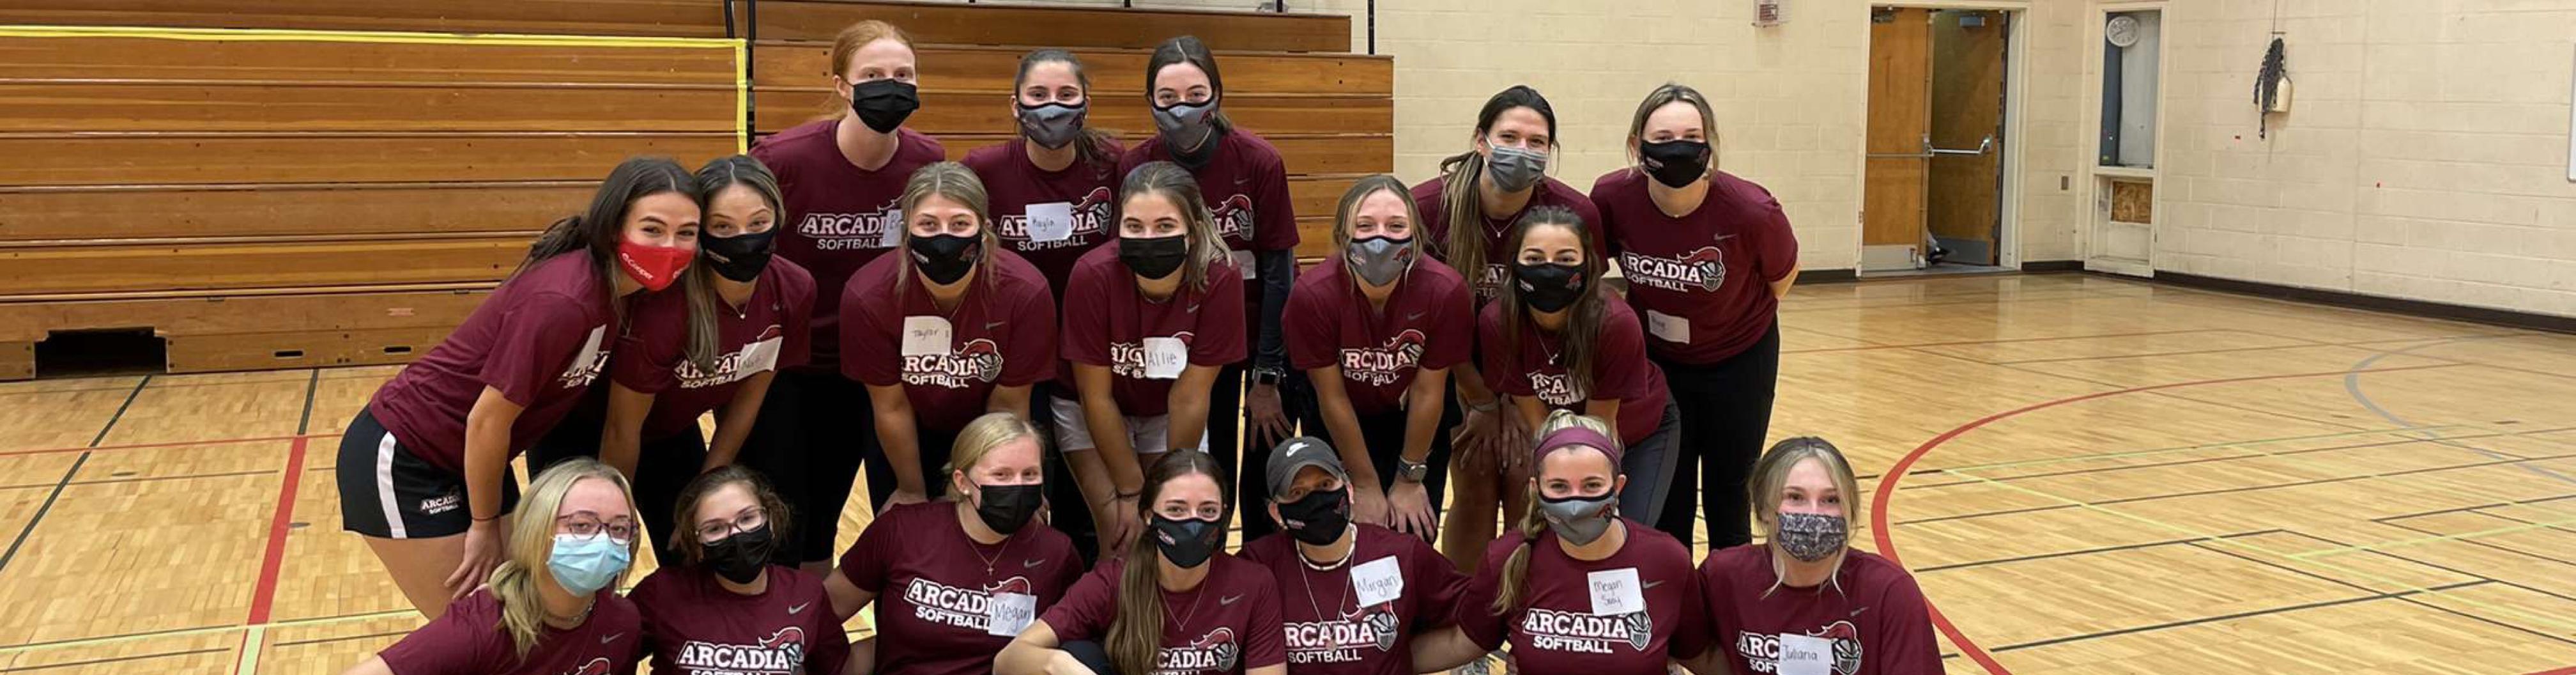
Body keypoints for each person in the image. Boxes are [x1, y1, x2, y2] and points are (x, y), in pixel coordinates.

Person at [335, 157, 699, 618]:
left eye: (686, 233)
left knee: (526, 614)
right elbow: (487, 418)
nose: (670, 246)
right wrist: (484, 524)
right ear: (613, 229)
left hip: (476, 458)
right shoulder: (565, 301)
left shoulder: (626, 300)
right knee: (481, 628)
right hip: (408, 455)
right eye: (653, 230)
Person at [526, 155, 811, 564]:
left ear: (779, 218)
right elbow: (622, 429)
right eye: (723, 227)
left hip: (668, 432)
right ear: (701, 233)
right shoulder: (666, 306)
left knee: (693, 551)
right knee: (588, 556)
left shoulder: (794, 288)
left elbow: (749, 398)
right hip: (581, 430)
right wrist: (616, 515)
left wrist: (706, 487)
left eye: (758, 223)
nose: (744, 238)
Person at [745, 19, 946, 573]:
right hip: (793, 365)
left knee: (866, 504)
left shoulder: (927, 162)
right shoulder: (784, 160)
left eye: (903, 75)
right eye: (874, 75)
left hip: (882, 365)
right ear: (841, 85)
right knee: (790, 508)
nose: (891, 85)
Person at [1592, 83, 1798, 550]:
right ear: (1636, 145)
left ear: (1710, 145)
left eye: (1691, 135)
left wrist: (1727, 320)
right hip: (1660, 362)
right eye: (1663, 137)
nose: (1678, 146)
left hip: (1740, 359)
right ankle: (1677, 610)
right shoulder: (1613, 197)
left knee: (1729, 493)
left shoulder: (1751, 210)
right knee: (1670, 496)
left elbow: (1781, 278)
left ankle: (1729, 607)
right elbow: (1594, 272)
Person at [1117, 36, 1303, 537]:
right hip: (1190, 336)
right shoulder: (1136, 166)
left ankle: (1263, 564)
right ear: (1150, 102)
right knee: (1208, 452)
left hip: (1260, 326)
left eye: (1196, 95)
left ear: (1217, 96)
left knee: (1265, 447)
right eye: (1168, 97)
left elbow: (1278, 269)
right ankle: (1206, 552)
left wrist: (1267, 371)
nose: (1183, 108)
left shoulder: (1258, 161)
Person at [1411, 85, 1598, 570]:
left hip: (1538, 371)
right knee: (1472, 481)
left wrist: (1517, 399)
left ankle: (1523, 600)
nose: (1523, 149)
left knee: (1523, 478)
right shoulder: (1430, 209)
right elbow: (1428, 321)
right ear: (1480, 140)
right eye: (1509, 136)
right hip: (1450, 371)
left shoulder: (1572, 215)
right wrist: (1477, 398)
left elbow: (1583, 308)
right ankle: (1465, 605)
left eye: (1537, 142)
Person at [1413, 412, 1708, 675]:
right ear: (1536, 489)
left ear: (1618, 487)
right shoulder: (1509, 557)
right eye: (1559, 487)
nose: (1576, 502)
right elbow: (1460, 643)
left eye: (1592, 485)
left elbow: (1702, 657)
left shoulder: (1665, 560)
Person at [1055, 162, 1246, 559]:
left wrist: (1168, 488)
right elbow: (1096, 397)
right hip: (1089, 407)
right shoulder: (1092, 275)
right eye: (1135, 226)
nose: (1148, 237)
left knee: (1169, 532)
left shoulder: (1219, 277)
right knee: (1123, 539)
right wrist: (1130, 491)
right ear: (1118, 228)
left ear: (1191, 231)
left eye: (1164, 226)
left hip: (1167, 407)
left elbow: (1190, 398)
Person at [843, 162, 1057, 509]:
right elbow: (891, 406)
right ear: (906, 231)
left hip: (992, 418)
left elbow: (1009, 404)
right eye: (928, 224)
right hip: (908, 424)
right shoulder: (868, 296)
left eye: (960, 224)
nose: (944, 238)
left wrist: (980, 487)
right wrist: (911, 490)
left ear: (984, 230)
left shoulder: (1025, 291)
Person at [1476, 207, 1687, 545]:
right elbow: (1537, 422)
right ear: (1514, 266)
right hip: (1554, 432)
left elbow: (1602, 427)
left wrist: (1593, 505)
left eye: (1565, 258)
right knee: (1541, 532)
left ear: (1588, 265)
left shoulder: (1614, 322)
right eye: (1534, 258)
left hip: (1636, 432)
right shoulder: (1497, 322)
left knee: (1618, 533)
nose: (1549, 270)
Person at [1283, 176, 1473, 542]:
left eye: (1396, 226)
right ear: (1343, 235)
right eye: (1365, 226)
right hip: (1341, 416)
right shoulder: (1312, 296)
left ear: (1416, 235)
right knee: (1347, 531)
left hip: (1414, 421)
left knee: (1413, 529)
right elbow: (1331, 397)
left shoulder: (1445, 291)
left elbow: (1429, 391)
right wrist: (1365, 483)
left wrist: (1408, 478)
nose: (1380, 238)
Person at [827, 412, 1084, 675]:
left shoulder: (1056, 554)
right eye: (1002, 475)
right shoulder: (902, 532)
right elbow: (821, 613)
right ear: (963, 483)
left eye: (1029, 474)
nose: (1017, 486)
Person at [336, 458, 647, 674]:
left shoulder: (623, 621)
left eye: (619, 529)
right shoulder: (480, 628)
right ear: (538, 528)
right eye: (582, 525)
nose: (602, 540)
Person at [995, 451, 1288, 675]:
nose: (1192, 522)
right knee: (1080, 654)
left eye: (1207, 510)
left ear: (1224, 516)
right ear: (1149, 516)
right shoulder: (1114, 581)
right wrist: (1059, 663)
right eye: (1176, 509)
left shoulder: (1252, 583)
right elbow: (1007, 661)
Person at [1690, 438, 1938, 675]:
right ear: (1765, 508)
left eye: (1831, 500)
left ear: (1850, 510)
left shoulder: (1889, 591)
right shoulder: (1724, 576)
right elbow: (1685, 647)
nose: (1814, 513)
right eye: (1795, 498)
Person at [1237, 437, 1468, 675]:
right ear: (1277, 512)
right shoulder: (1257, 564)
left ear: (1348, 490)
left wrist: (1401, 659)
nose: (1315, 500)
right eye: (1298, 493)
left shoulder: (1401, 554)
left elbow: (1477, 615)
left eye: (1326, 485)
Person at [631, 466, 857, 675]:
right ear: (697, 542)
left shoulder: (806, 592)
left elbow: (835, 667)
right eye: (715, 529)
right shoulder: (663, 592)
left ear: (770, 520)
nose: (736, 535)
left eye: (748, 518)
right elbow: (607, 653)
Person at [962, 47, 1125, 300]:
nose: (1053, 106)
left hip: (1092, 305)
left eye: (1067, 94)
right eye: (1038, 95)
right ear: (1016, 106)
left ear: (1086, 105)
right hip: (1014, 308)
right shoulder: (983, 169)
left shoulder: (1111, 162)